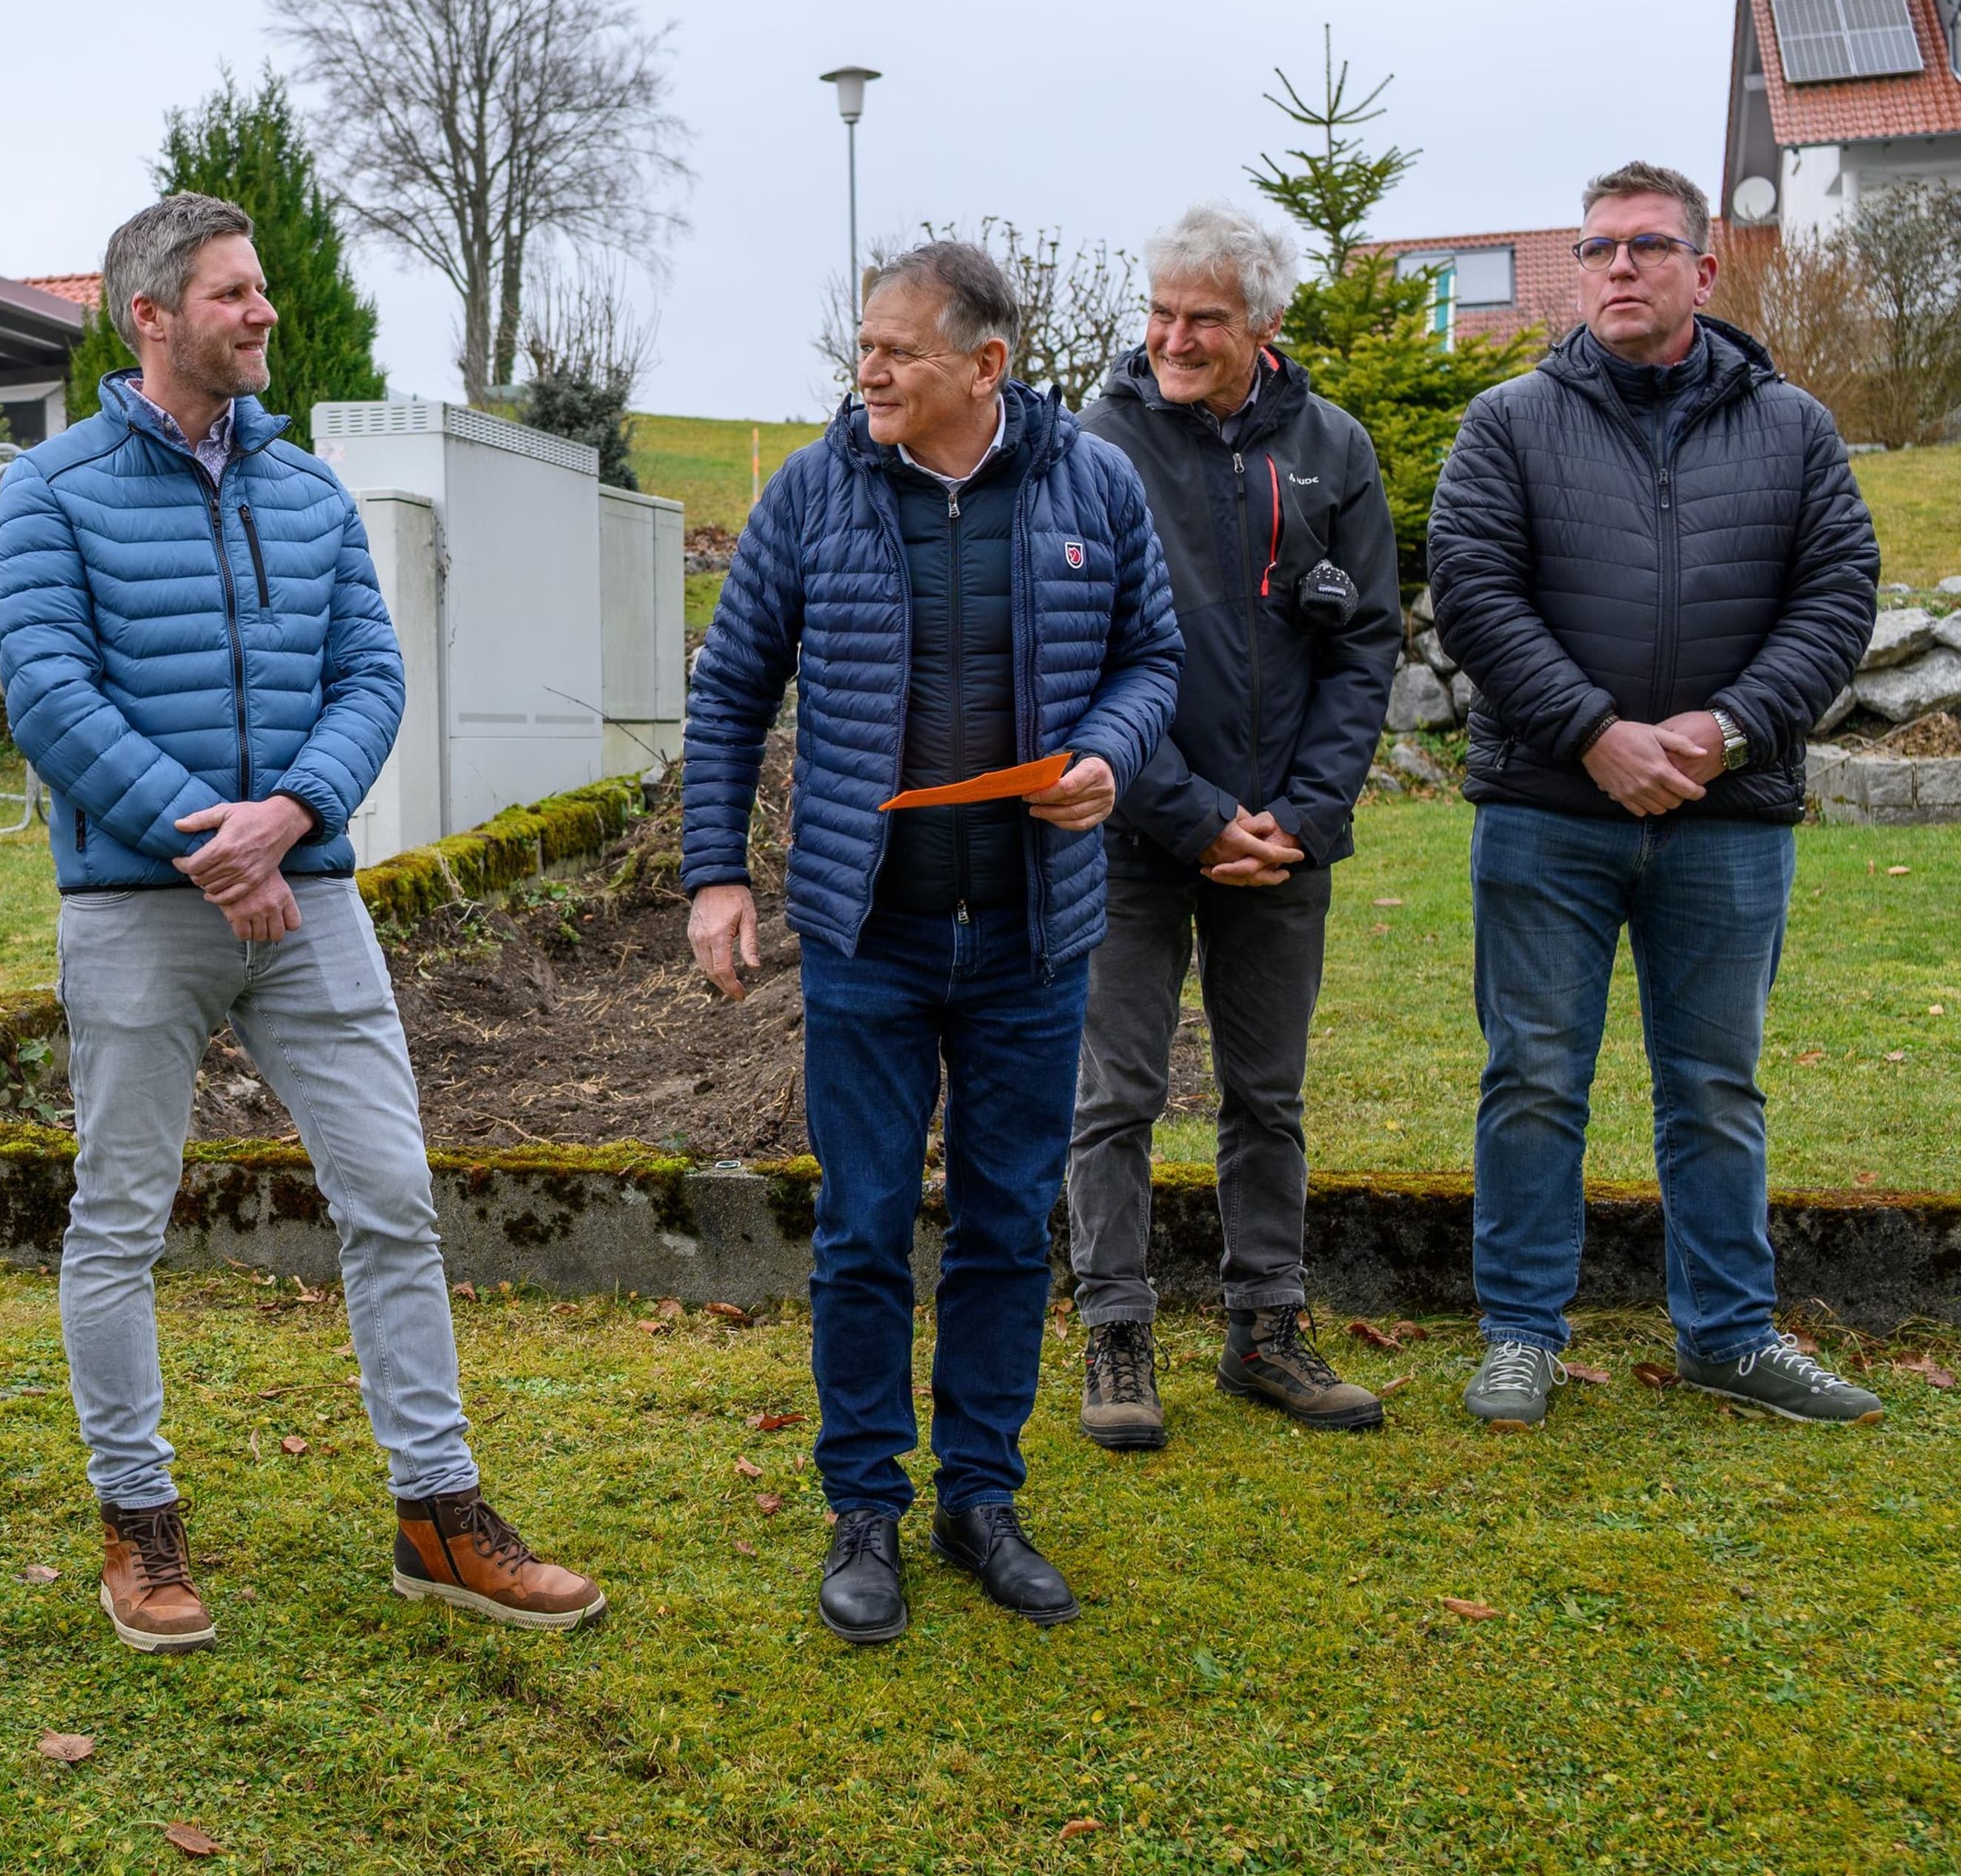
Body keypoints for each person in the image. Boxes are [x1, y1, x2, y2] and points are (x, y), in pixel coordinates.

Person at [0, 193, 602, 1654]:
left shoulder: (311, 492)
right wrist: (219, 842)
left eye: (261, 291)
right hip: (140, 909)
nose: (263, 312)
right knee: (121, 1217)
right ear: (150, 317)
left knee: (393, 1194)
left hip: (309, 898)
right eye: (232, 294)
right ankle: (139, 1525)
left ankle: (437, 1513)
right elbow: (52, 696)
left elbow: (371, 675)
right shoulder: (52, 491)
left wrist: (289, 820)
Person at [683, 241, 1182, 1643]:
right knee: (860, 1225)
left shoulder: (1094, 484)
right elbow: (729, 692)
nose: (871, 368)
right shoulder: (815, 492)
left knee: (1010, 1224)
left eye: (899, 349)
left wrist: (1110, 749)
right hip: (869, 934)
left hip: (1035, 934)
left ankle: (982, 1494)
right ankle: (863, 1507)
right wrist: (715, 875)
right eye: (863, 343)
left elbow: (1155, 656)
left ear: (987, 365)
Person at [1429, 161, 1884, 1429]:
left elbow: (1839, 592)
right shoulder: (1507, 421)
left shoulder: (1793, 426)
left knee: (1717, 1084)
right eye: (1597, 249)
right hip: (1545, 812)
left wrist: (1729, 730)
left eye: (1645, 245)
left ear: (1705, 265)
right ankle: (1521, 1333)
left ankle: (1730, 1336)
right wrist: (1594, 735)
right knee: (1530, 1076)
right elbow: (1472, 588)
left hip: (1726, 821)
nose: (1618, 267)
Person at [1067, 204, 1400, 1450]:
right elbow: (1075, 657)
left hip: (1282, 846)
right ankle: (1116, 1332)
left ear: (1264, 322)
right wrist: (1194, 817)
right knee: (1118, 1093)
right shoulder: (1094, 447)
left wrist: (1304, 820)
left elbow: (1364, 644)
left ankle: (1267, 1328)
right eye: (1159, 311)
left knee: (1269, 1096)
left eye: (1203, 316)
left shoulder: (1335, 448)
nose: (1174, 336)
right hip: (1129, 832)